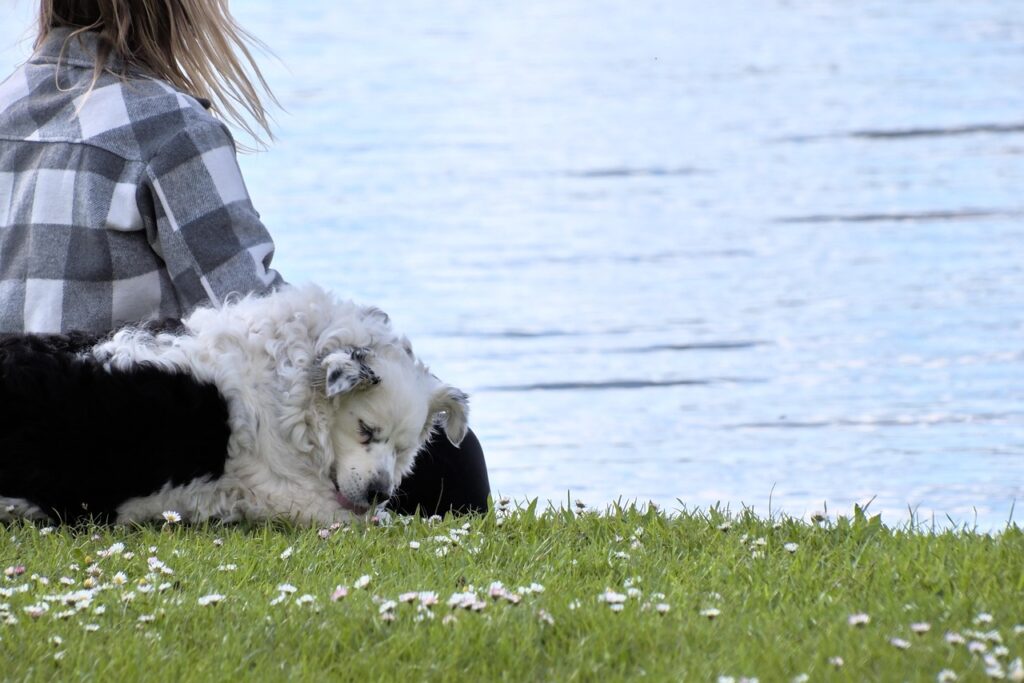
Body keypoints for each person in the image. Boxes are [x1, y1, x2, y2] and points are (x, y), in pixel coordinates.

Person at [0, 0, 489, 516]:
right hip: (136, 443)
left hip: (20, 423)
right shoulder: (169, 126)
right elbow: (258, 324)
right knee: (456, 459)